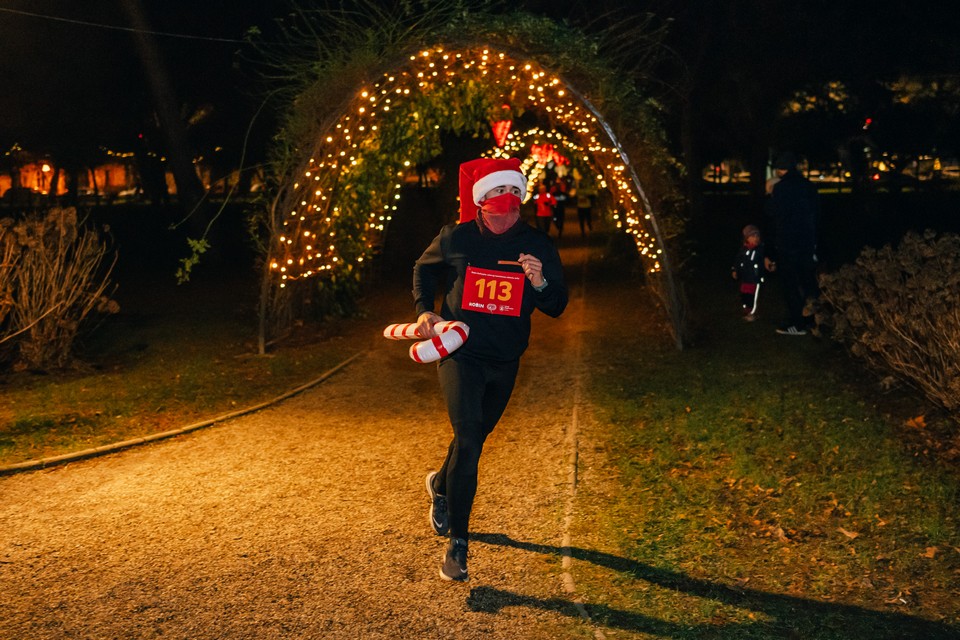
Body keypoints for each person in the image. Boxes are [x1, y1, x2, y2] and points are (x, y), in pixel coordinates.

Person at [412, 157, 568, 582]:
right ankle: (458, 546)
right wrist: (425, 309)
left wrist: (539, 283)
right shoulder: (457, 237)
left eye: (514, 200)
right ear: (482, 202)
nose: (506, 208)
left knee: (475, 436)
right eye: (498, 200)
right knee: (469, 440)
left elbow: (557, 305)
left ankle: (441, 486)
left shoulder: (537, 245)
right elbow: (423, 269)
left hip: (505, 360)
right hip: (460, 353)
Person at [765, 151, 820, 336]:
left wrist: (769, 194)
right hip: (807, 243)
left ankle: (797, 323)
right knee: (808, 283)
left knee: (791, 286)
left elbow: (773, 217)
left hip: (787, 244)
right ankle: (812, 320)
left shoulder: (780, 189)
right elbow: (817, 215)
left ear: (781, 170)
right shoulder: (809, 186)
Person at [731, 224, 769, 321]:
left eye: (757, 236)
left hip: (755, 279)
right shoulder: (743, 250)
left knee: (754, 297)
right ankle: (747, 310)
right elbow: (738, 261)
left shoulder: (760, 250)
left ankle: (753, 313)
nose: (756, 238)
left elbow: (764, 259)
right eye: (753, 236)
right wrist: (735, 270)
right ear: (747, 238)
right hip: (745, 278)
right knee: (745, 295)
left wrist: (769, 264)